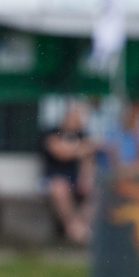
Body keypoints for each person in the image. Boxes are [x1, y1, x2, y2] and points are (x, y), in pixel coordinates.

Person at [41, 102, 97, 244]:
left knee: (96, 191)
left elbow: (88, 161)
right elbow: (59, 152)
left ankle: (80, 227)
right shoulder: (52, 132)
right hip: (55, 179)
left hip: (76, 180)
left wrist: (86, 178)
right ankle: (74, 227)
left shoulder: (83, 135)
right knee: (59, 188)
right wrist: (82, 148)